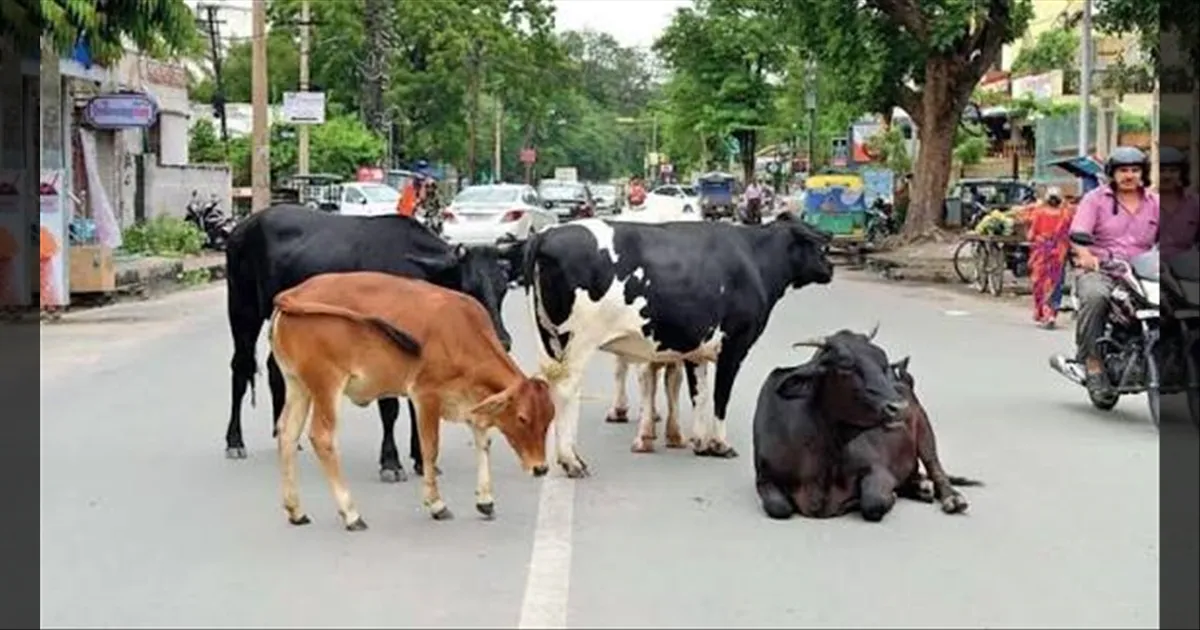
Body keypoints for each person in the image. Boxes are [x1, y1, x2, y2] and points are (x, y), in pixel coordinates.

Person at [1067, 146, 1161, 395]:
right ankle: (1092, 362)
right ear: (1112, 173)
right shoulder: (1095, 199)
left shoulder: (1156, 202)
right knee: (1095, 296)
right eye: (1123, 170)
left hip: (1144, 273)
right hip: (1103, 269)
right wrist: (1085, 254)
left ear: (1143, 173)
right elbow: (1079, 233)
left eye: (1134, 170)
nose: (1129, 175)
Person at [1025, 186, 1074, 329]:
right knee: (1056, 282)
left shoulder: (1039, 213)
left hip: (1041, 252)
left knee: (1039, 282)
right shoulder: (1066, 214)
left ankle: (1043, 313)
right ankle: (1052, 313)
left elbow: (1031, 235)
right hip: (1059, 253)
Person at [1157, 146, 1199, 261]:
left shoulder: (1194, 204)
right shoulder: (1144, 202)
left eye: (1173, 171)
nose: (1167, 176)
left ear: (1182, 173)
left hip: (1186, 267)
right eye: (1161, 171)